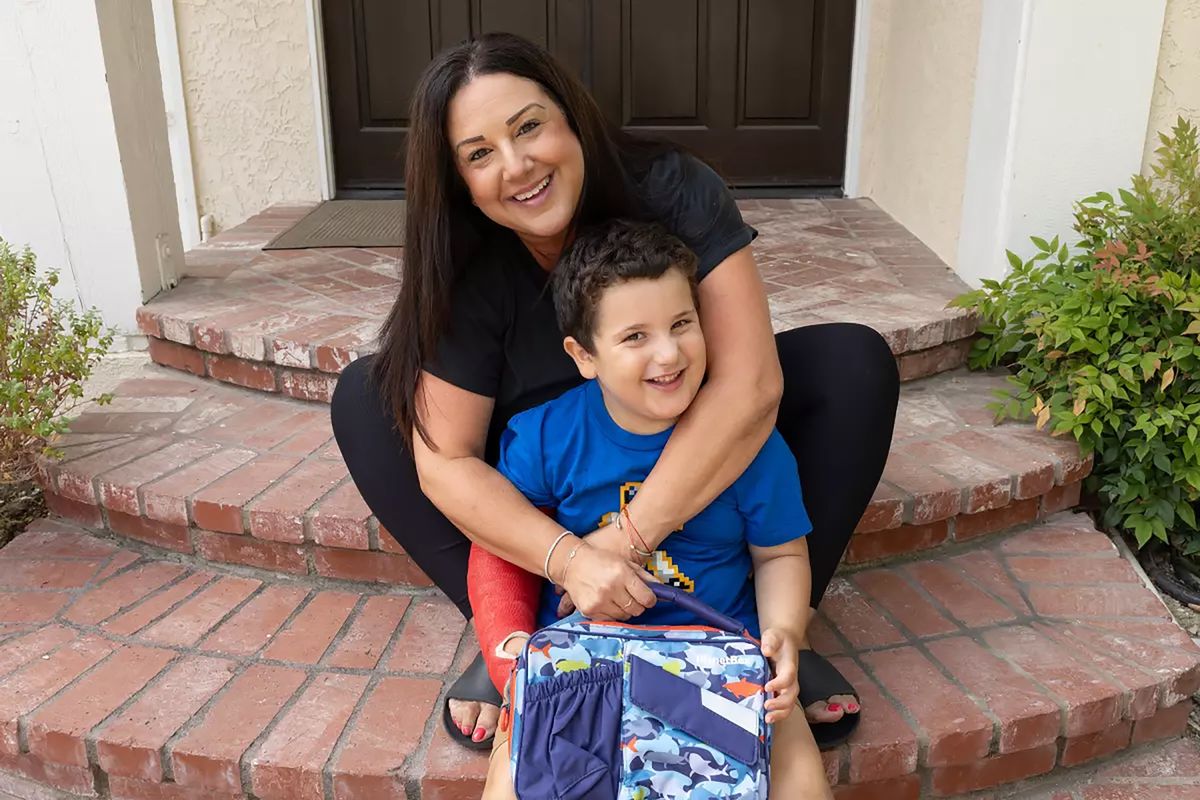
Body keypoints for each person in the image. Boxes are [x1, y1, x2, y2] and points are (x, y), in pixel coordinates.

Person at [329, 31, 898, 752]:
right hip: (549, 462)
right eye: (479, 154)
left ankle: (772, 634)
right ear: (458, 180)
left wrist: (627, 540)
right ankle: (518, 631)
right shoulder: (465, 253)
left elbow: (751, 383)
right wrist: (571, 562)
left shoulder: (671, 186)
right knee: (366, 401)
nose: (517, 166)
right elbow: (447, 461)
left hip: (677, 422)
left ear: (572, 117)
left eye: (528, 127)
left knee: (853, 364)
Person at [469, 219, 832, 798]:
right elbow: (501, 544)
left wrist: (785, 631)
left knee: (798, 778)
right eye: (635, 336)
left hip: (720, 663)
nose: (669, 352)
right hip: (581, 662)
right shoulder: (545, 438)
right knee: (514, 780)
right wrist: (509, 642)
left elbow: (780, 554)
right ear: (584, 355)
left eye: (682, 324)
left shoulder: (747, 443)